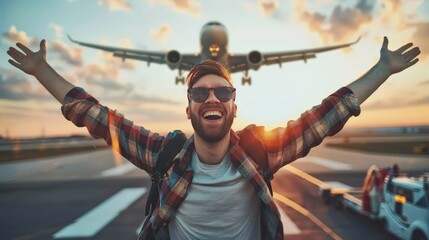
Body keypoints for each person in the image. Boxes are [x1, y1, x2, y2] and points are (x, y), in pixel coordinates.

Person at [7, 37, 420, 240]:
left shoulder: (261, 151)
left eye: (223, 91)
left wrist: (382, 70)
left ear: (234, 107)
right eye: (200, 92)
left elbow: (324, 118)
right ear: (188, 108)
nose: (212, 97)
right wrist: (42, 71)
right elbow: (97, 117)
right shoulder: (164, 153)